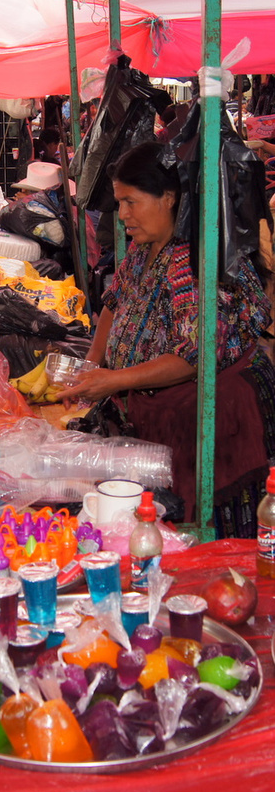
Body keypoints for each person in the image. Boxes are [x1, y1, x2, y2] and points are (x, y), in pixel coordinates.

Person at [63, 141, 275, 533]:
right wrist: (92, 364)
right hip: (160, 413)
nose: (122, 214)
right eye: (119, 202)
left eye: (131, 201)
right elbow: (113, 302)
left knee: (208, 528)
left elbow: (192, 354)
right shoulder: (144, 250)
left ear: (169, 198)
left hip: (214, 418)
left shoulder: (193, 261)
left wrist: (113, 380)